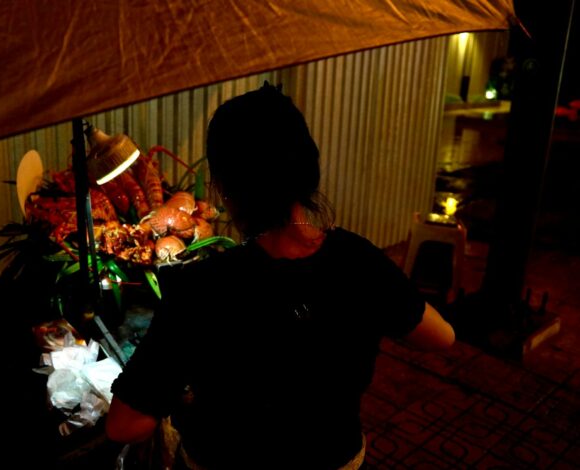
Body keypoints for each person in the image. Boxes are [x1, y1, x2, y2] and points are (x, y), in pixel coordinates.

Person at [106, 83, 455, 469]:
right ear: (309, 170)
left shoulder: (203, 288)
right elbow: (441, 336)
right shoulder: (358, 259)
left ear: (223, 190)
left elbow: (125, 425)